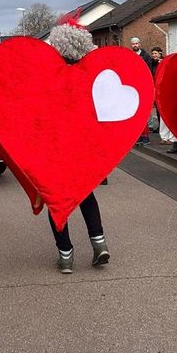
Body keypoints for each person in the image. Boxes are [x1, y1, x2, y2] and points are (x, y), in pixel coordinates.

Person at [46, 16, 110, 274]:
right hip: (84, 147)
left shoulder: (50, 78)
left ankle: (66, 256)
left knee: (56, 200)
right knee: (86, 195)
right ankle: (99, 244)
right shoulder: (90, 77)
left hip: (55, 148)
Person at [130, 37, 152, 145]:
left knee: (143, 112)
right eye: (133, 44)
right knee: (135, 113)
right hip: (132, 87)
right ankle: (139, 135)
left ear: (140, 44)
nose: (135, 45)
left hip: (143, 86)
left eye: (136, 43)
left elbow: (149, 71)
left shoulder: (146, 56)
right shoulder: (130, 56)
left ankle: (145, 136)